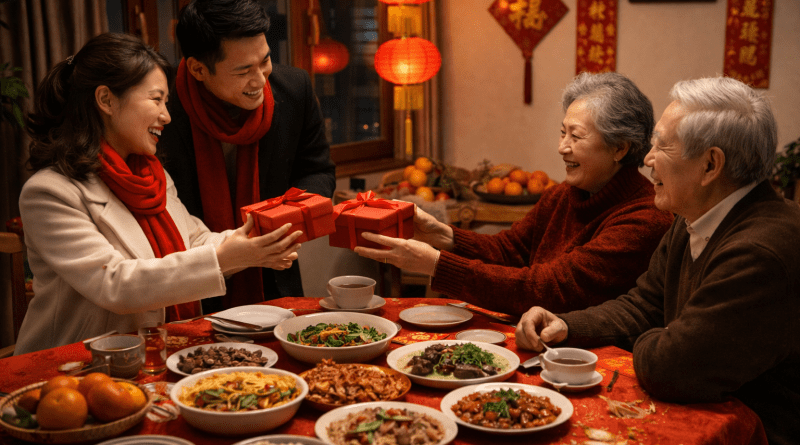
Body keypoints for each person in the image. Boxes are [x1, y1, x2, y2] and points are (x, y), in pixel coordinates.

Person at [515, 77, 800, 444]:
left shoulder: (760, 252)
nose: (647, 160)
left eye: (662, 146)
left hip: (752, 431)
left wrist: (665, 337)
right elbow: (643, 304)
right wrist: (566, 325)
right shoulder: (694, 214)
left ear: (711, 165)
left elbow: (673, 368)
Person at [15, 33, 303, 355]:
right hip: (74, 366)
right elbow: (115, 284)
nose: (166, 116)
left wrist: (255, 241)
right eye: (156, 100)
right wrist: (226, 257)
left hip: (156, 350)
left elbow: (194, 242)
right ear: (106, 100)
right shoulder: (49, 193)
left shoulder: (151, 175)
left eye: (166, 102)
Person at [355, 72, 674, 315]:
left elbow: (547, 289)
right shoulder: (565, 193)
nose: (562, 147)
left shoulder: (644, 219)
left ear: (620, 147)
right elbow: (511, 249)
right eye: (563, 133)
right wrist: (442, 235)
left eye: (576, 137)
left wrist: (438, 265)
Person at [158, 0, 336, 312]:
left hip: (274, 277)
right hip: (189, 280)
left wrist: (287, 217)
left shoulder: (294, 88)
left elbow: (318, 170)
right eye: (243, 71)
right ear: (198, 69)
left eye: (265, 61)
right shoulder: (161, 108)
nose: (260, 80)